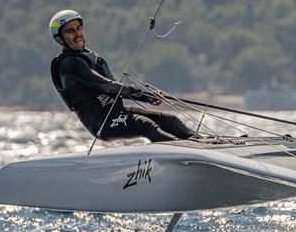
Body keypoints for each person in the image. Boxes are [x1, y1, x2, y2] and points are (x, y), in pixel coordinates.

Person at [49, 10, 196, 142]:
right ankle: (188, 152)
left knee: (170, 120)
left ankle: (209, 143)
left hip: (118, 112)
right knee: (147, 126)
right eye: (70, 31)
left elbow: (114, 90)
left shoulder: (87, 56)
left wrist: (146, 97)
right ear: (59, 39)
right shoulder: (69, 64)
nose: (77, 34)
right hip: (103, 124)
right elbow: (106, 86)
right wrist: (141, 94)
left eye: (78, 28)